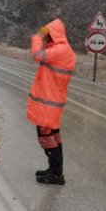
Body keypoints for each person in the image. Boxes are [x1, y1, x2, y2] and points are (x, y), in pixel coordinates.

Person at [27, 18, 76, 185]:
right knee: (53, 136)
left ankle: (56, 174)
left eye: (48, 33)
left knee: (46, 137)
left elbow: (37, 55)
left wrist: (37, 37)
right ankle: (54, 170)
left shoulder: (60, 50)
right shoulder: (61, 49)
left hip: (48, 103)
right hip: (51, 102)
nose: (46, 36)